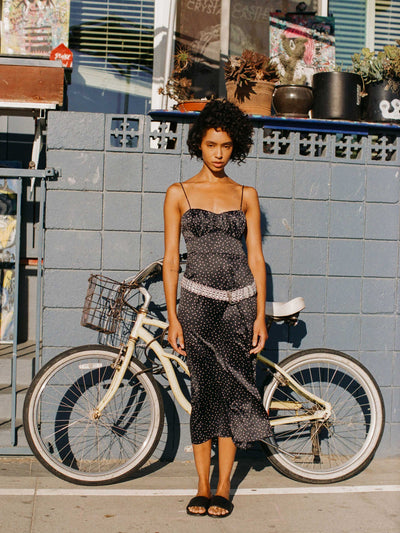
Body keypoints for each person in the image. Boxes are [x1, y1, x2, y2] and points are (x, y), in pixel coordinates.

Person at [163, 99, 272, 518]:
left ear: (236, 146)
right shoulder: (179, 193)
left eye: (226, 145)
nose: (219, 153)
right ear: (199, 144)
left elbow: (257, 259)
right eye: (211, 144)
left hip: (240, 306)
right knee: (204, 392)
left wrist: (260, 314)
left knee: (233, 393)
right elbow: (172, 259)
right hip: (194, 305)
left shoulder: (246, 194)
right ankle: (202, 484)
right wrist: (173, 315)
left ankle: (225, 485)